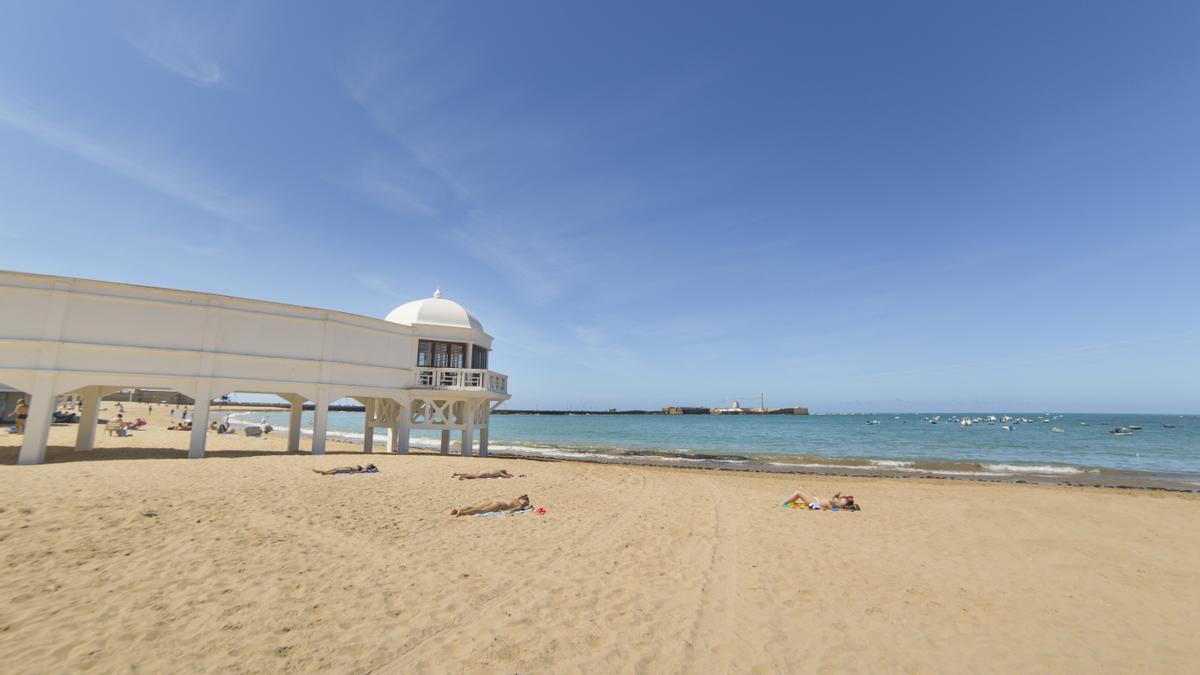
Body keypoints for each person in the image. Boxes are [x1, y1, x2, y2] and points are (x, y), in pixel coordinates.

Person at [450, 494, 530, 517]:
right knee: (481, 511)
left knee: (475, 507)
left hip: (494, 500)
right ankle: (462, 513)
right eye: (526, 502)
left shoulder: (512, 498)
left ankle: (457, 510)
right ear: (523, 500)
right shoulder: (519, 504)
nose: (526, 504)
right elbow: (513, 511)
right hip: (499, 504)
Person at [782, 488, 860, 511]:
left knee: (798, 492)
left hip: (815, 503)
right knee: (801, 488)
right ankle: (791, 501)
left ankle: (784, 503)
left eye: (845, 499)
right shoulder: (841, 502)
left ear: (847, 503)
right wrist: (837, 496)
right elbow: (833, 500)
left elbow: (830, 500)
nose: (844, 498)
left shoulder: (841, 504)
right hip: (816, 499)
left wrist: (835, 495)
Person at [312, 464, 378, 475]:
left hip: (350, 470)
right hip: (348, 468)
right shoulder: (364, 468)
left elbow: (359, 472)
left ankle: (324, 473)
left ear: (370, 467)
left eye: (369, 464)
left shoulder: (365, 470)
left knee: (337, 471)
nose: (367, 464)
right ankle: (325, 472)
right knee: (336, 468)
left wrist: (353, 472)